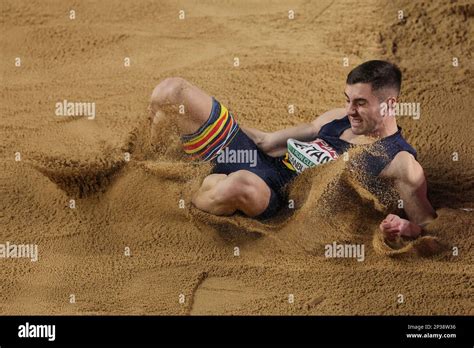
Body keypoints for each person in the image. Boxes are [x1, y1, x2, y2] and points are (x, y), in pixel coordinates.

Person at [149, 60, 437, 239]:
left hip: (279, 201)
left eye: (360, 103)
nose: (350, 110)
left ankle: (179, 189)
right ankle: (153, 162)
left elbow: (428, 224)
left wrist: (407, 227)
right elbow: (266, 141)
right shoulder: (337, 118)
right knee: (172, 92)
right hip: (259, 162)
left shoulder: (401, 164)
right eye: (348, 100)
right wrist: (226, 127)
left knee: (237, 183)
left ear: (390, 104)